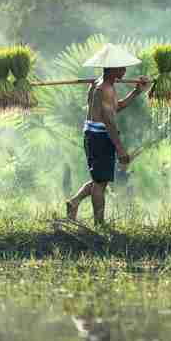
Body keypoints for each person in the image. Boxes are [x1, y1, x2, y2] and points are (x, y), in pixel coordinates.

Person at [66, 45, 150, 225]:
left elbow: (116, 107)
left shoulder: (100, 85)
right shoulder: (104, 88)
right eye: (121, 67)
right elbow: (109, 121)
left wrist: (136, 91)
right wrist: (120, 149)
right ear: (112, 69)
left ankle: (74, 202)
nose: (125, 70)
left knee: (99, 179)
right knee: (100, 184)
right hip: (99, 136)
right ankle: (99, 224)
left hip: (92, 133)